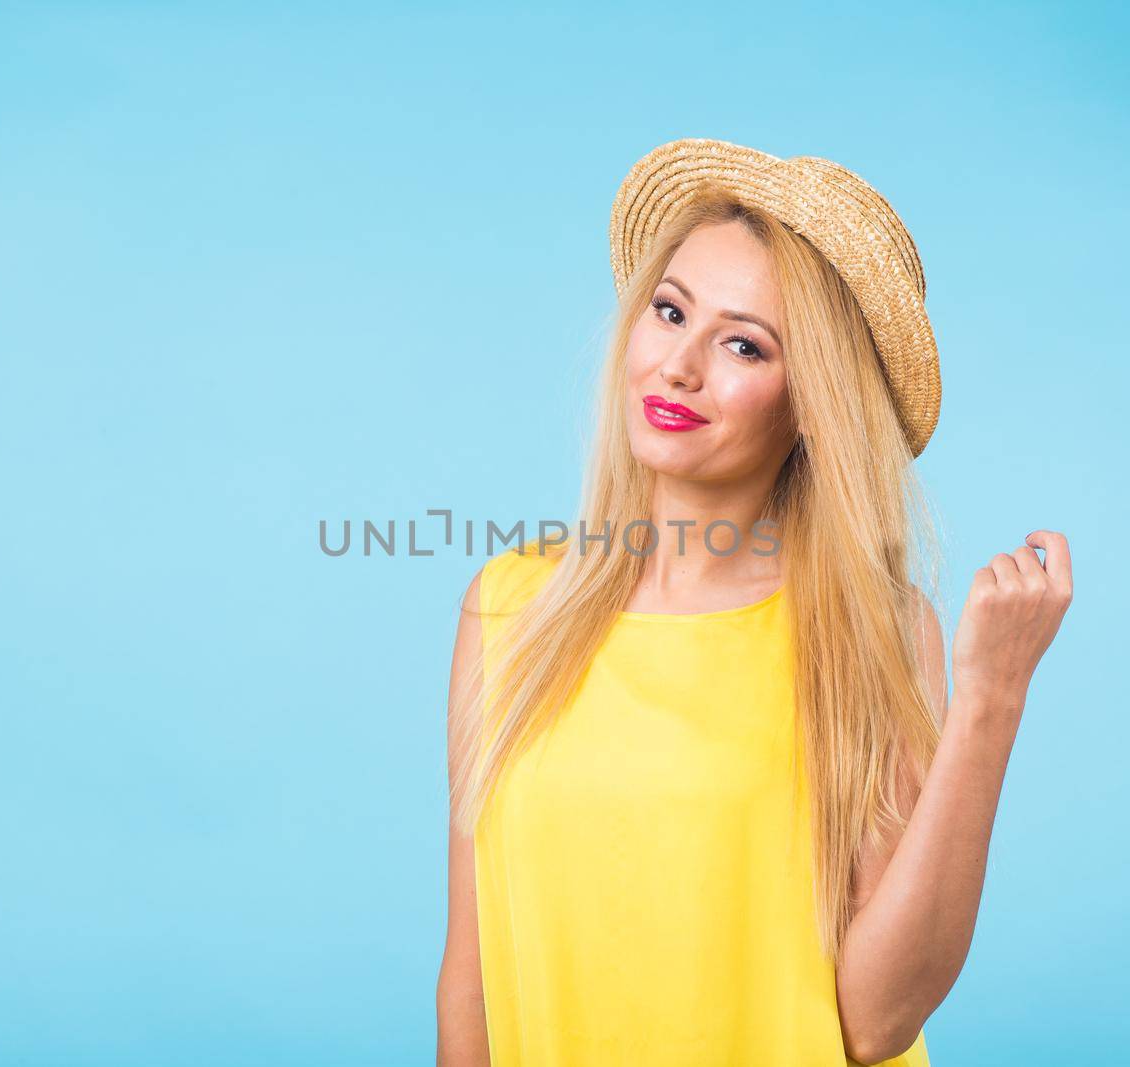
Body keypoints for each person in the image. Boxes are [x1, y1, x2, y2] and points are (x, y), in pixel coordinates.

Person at [434, 138, 1073, 1067]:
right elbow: (472, 974)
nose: (680, 367)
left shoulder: (871, 630)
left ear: (811, 399)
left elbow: (876, 1022)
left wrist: (990, 702)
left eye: (743, 343)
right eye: (669, 311)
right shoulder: (506, 609)